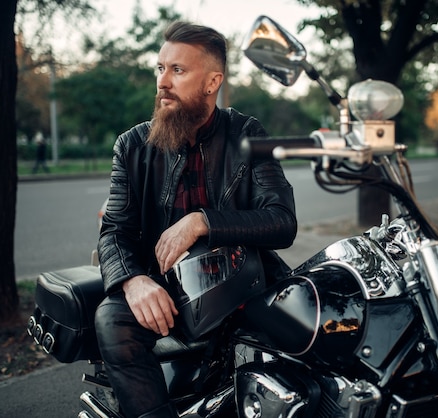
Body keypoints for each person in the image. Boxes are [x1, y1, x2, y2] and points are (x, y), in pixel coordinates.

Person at [94, 21, 297, 418]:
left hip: (244, 280)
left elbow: (281, 221)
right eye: (160, 68)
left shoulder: (247, 134)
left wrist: (202, 221)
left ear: (212, 82)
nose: (163, 82)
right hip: (167, 285)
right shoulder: (133, 145)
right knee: (112, 321)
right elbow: (114, 231)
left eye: (178, 70)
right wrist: (134, 282)